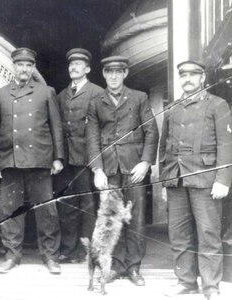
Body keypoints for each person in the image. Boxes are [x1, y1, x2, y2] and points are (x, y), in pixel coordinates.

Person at [0, 47, 64, 274]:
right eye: (20, 65)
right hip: (10, 161)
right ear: (13, 67)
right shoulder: (0, 94)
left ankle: (50, 256)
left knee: (47, 211)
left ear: (33, 68)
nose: (24, 69)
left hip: (40, 160)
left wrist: (58, 157)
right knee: (9, 211)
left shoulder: (46, 92)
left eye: (28, 65)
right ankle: (12, 255)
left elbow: (56, 127)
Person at [160, 60, 232, 300]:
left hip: (206, 180)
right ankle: (186, 282)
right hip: (176, 180)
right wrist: (164, 181)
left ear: (202, 78)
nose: (187, 79)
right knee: (179, 234)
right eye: (183, 75)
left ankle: (211, 286)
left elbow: (226, 144)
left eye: (193, 75)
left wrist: (223, 179)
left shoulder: (217, 105)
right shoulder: (172, 108)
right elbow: (164, 148)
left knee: (208, 233)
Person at [86, 56, 159, 286]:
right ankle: (115, 265)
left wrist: (146, 163)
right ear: (104, 74)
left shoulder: (139, 98)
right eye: (109, 72)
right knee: (111, 219)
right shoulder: (96, 101)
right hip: (108, 170)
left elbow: (151, 132)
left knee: (136, 218)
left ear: (125, 73)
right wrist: (97, 169)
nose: (114, 76)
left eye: (119, 71)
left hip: (134, 168)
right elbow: (91, 139)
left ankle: (134, 267)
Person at [54, 48, 103, 263]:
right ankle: (68, 248)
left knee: (88, 205)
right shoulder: (61, 95)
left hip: (86, 159)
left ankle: (86, 250)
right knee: (66, 205)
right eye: (71, 64)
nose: (73, 67)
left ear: (88, 68)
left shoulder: (97, 92)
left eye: (78, 64)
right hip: (65, 160)